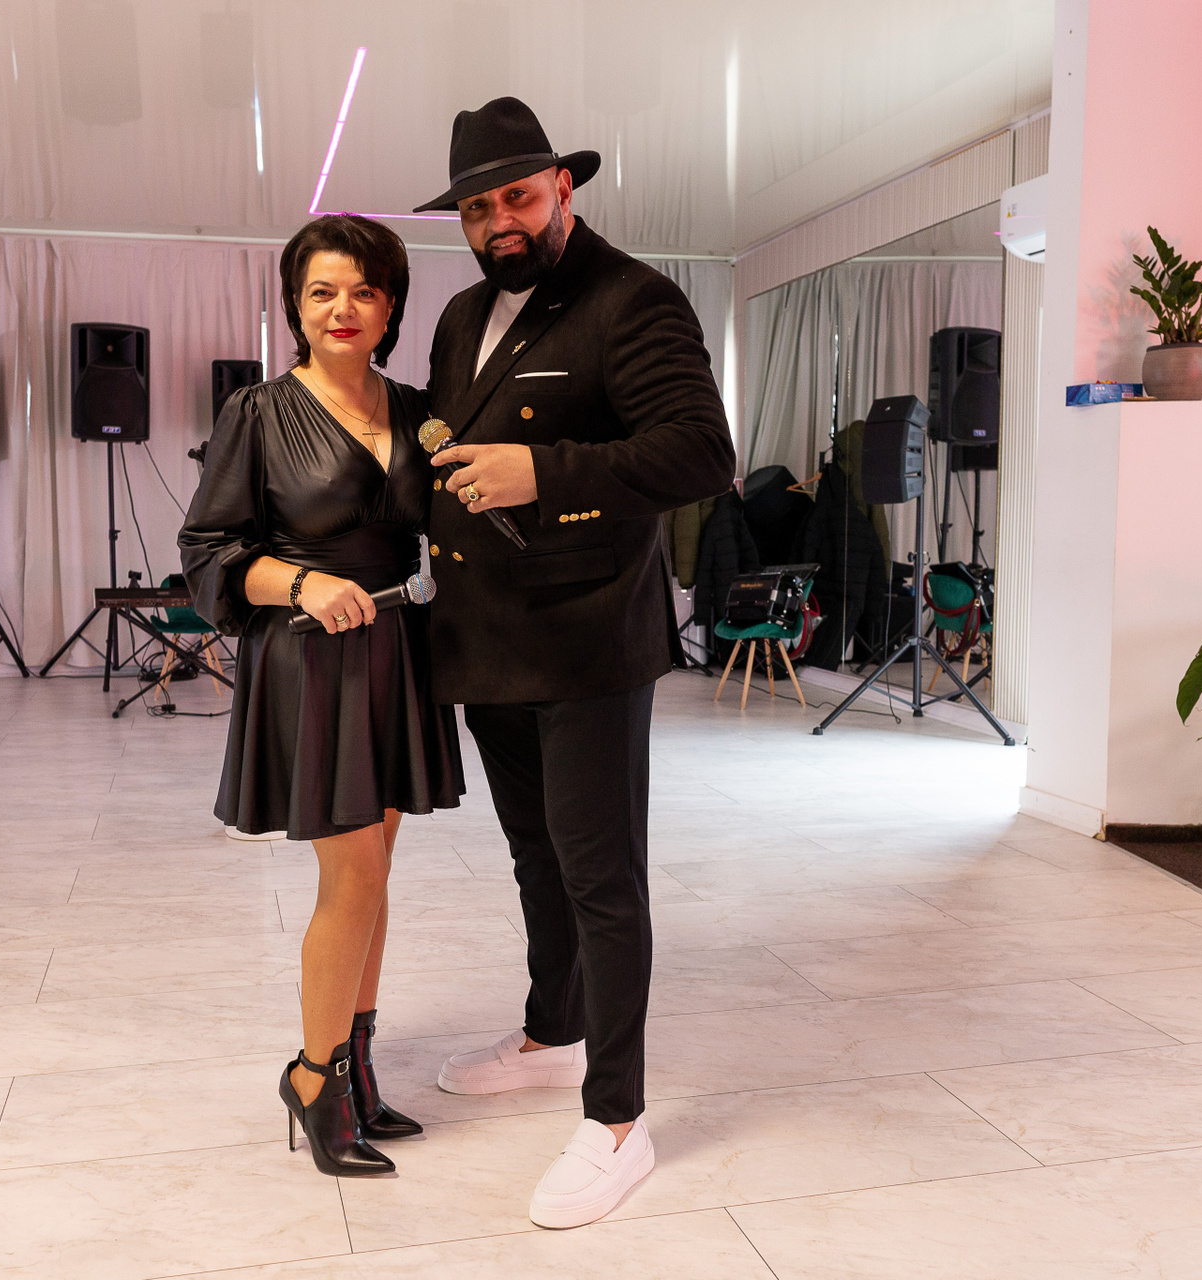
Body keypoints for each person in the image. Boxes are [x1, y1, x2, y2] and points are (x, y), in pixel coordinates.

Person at [414, 98, 736, 1227]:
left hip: (590, 635)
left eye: (516, 196)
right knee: (534, 856)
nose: (497, 221)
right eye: (475, 209)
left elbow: (700, 453)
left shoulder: (632, 298)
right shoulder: (460, 316)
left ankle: (617, 1119)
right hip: (488, 636)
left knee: (602, 876)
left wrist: (544, 472)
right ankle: (553, 1034)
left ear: (563, 186)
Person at [177, 214, 463, 1178]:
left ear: (390, 306)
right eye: (322, 292)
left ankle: (357, 1070)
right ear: (295, 307)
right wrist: (300, 582)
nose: (344, 309)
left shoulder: (417, 409)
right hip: (312, 656)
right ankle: (313, 1077)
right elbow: (207, 553)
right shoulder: (258, 412)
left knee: (376, 872)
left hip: (399, 652)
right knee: (355, 878)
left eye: (364, 291)